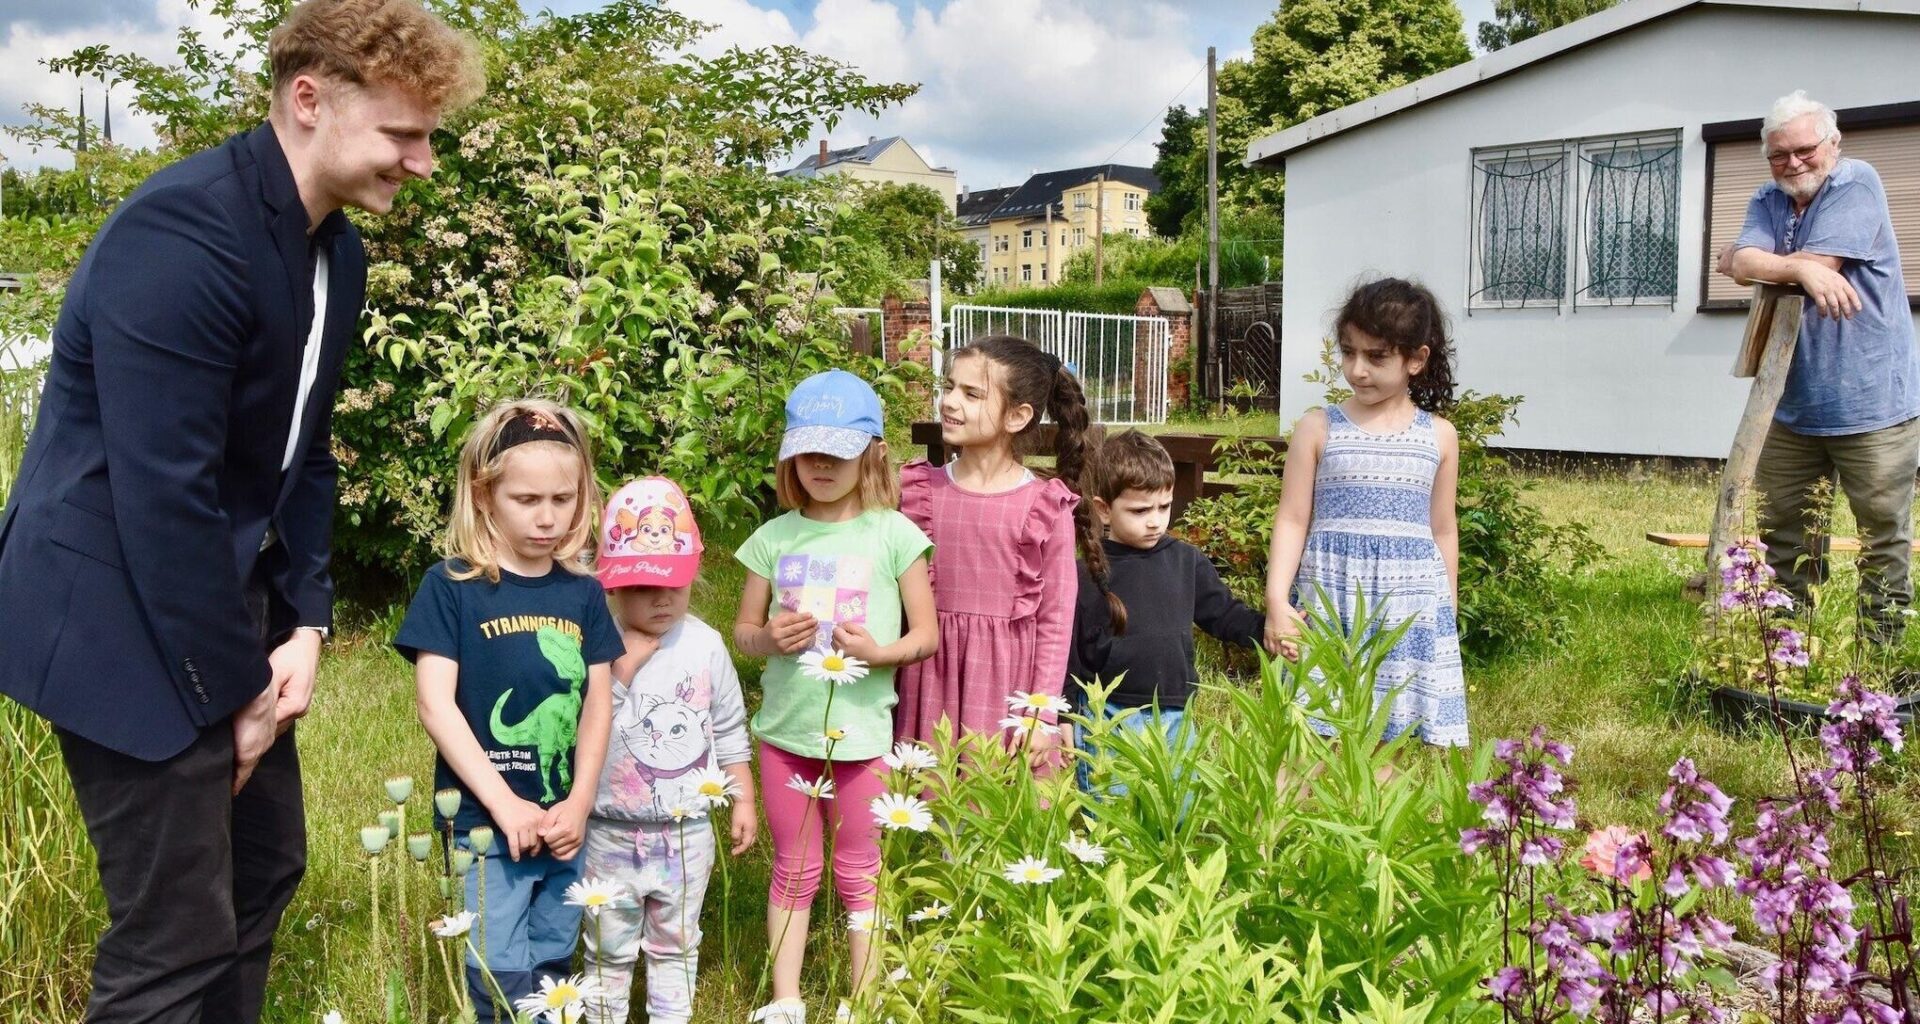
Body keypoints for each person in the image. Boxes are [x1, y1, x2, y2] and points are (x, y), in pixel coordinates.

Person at [0, 1, 482, 1019]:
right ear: (308, 99)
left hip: (219, 611)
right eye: (403, 134)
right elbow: (162, 501)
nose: (423, 163)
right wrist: (235, 695)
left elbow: (298, 458)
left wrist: (306, 621)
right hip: (117, 619)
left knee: (262, 870)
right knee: (174, 935)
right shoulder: (181, 233)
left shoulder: (332, 252)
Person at [394, 400, 622, 1019]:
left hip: (563, 823)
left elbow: (597, 708)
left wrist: (577, 801)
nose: (548, 518)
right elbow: (435, 705)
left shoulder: (584, 593)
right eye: (527, 500)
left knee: (552, 957)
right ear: (484, 491)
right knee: (496, 967)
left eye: (564, 499)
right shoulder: (452, 587)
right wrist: (502, 802)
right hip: (483, 823)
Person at [734, 370, 937, 1024]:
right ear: (791, 454)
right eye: (808, 450)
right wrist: (768, 638)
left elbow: (928, 633)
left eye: (837, 451)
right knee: (792, 871)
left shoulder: (894, 535)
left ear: (871, 453)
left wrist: (880, 653)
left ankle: (867, 998)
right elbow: (744, 634)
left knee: (861, 872)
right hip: (787, 736)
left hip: (863, 738)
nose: (820, 464)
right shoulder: (773, 538)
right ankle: (787, 998)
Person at [1717, 90, 1920, 644]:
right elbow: (1741, 262)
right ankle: (1785, 650)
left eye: (1804, 149)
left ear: (1833, 143)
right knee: (1783, 533)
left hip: (1872, 401)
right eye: (1779, 154)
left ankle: (1880, 654)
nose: (1793, 163)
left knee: (1881, 534)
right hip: (1790, 402)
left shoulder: (1857, 181)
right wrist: (1792, 271)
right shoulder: (1768, 196)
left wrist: (1757, 262)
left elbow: (1786, 261)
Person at [1263, 278, 1467, 748]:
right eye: (1349, 352)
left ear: (1415, 359)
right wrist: (1277, 601)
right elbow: (1293, 518)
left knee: (1387, 742)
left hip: (1406, 608)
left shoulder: (1439, 437)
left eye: (1376, 357)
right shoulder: (1318, 428)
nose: (1357, 369)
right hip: (1331, 603)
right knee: (1308, 735)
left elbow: (1442, 529)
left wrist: (1446, 612)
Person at [583, 476, 757, 1024]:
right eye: (640, 587)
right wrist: (617, 672)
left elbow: (728, 724)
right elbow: (575, 723)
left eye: (674, 586)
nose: (660, 599)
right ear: (609, 585)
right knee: (606, 952)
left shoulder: (703, 645)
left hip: (686, 834)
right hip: (607, 830)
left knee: (678, 944)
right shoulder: (593, 643)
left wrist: (744, 798)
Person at [893, 336, 1090, 763]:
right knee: (930, 804)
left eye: (971, 393)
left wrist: (1040, 715)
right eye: (948, 387)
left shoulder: (1044, 507)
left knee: (997, 810)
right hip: (929, 674)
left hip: (1007, 688)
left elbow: (1055, 621)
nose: (949, 402)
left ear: (1017, 416)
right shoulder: (918, 493)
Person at [1066, 430, 1266, 794]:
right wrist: (1064, 716)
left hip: (1175, 714)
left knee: (1176, 810)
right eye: (1140, 510)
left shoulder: (1186, 562)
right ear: (1103, 508)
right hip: (1108, 717)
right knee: (1115, 817)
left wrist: (1267, 632)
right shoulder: (1087, 574)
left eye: (1164, 506)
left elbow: (1224, 614)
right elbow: (1070, 655)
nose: (1155, 521)